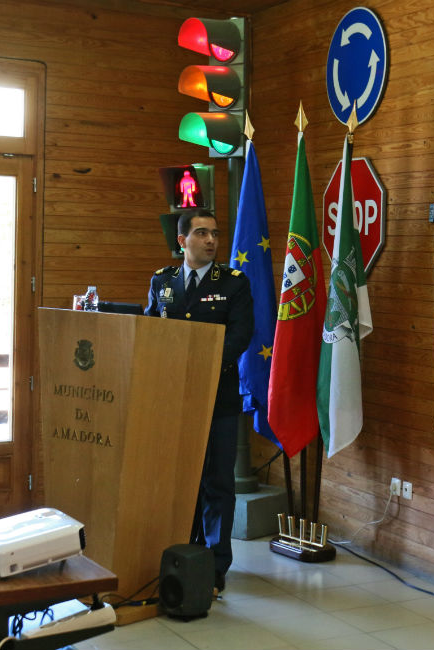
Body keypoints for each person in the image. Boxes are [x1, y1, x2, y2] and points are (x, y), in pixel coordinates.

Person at [145, 210, 254, 596]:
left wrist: (198, 364)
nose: (211, 240)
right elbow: (151, 331)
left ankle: (215, 566)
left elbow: (240, 336)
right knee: (177, 480)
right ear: (182, 241)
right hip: (173, 398)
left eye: (215, 233)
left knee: (218, 482)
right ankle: (179, 555)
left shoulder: (234, 283)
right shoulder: (163, 281)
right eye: (202, 233)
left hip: (217, 397)